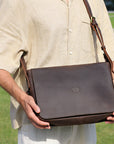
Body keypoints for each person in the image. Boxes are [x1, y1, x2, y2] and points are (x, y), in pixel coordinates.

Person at [0, 0, 114, 143]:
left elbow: (111, 56)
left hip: (86, 121)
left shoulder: (94, 2)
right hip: (39, 124)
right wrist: (22, 98)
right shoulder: (17, 2)